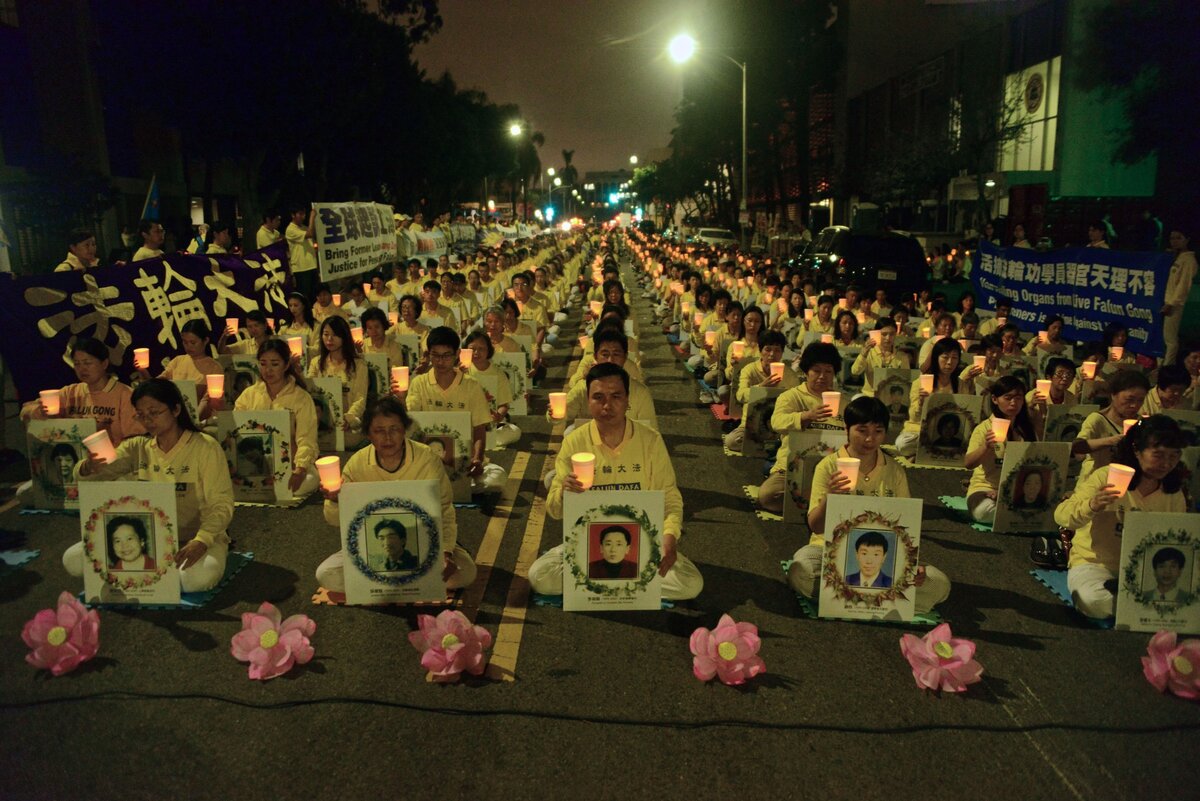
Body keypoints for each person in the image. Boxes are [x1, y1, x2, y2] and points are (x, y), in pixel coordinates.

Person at [533, 363, 703, 600]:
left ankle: (600, 584)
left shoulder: (650, 441)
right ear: (588, 401)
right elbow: (554, 510)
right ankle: (628, 585)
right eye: (598, 397)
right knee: (539, 577)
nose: (607, 405)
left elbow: (670, 497)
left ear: (627, 400)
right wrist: (564, 491)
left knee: (691, 584)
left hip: (641, 543)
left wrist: (669, 537)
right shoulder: (575, 442)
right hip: (588, 542)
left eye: (616, 396)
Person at [66, 379, 233, 592]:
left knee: (195, 581)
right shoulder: (139, 447)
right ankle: (155, 572)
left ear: (175, 409)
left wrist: (203, 540)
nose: (147, 420)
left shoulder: (205, 448)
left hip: (195, 537)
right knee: (72, 560)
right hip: (148, 539)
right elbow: (94, 476)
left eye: (154, 412)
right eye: (141, 414)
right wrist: (87, 467)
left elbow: (222, 503)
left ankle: (161, 572)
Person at [787, 396, 950, 612]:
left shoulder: (894, 471)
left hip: (884, 557)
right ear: (847, 429)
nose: (869, 439)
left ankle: (845, 599)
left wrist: (911, 565)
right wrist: (830, 497)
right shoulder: (828, 466)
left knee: (939, 584)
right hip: (828, 551)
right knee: (802, 571)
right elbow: (816, 527)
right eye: (862, 431)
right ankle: (878, 601)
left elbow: (906, 528)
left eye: (878, 432)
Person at [316, 396, 476, 594]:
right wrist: (334, 500)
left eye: (394, 429)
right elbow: (334, 520)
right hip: (372, 547)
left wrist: (445, 552)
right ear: (368, 434)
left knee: (466, 573)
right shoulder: (357, 464)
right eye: (379, 431)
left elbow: (444, 508)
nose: (388, 438)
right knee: (325, 574)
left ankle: (387, 584)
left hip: (426, 541)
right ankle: (396, 583)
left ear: (405, 430)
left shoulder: (426, 458)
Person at [1056, 415, 1188, 618]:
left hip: (1148, 570)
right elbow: (1062, 516)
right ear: (1137, 450)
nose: (1166, 464)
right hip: (1096, 565)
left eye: (1173, 456)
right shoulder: (1107, 477)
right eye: (1159, 455)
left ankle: (1137, 606)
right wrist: (1092, 505)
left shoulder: (1173, 492)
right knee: (1095, 602)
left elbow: (1177, 541)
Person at [398, 326, 507, 496]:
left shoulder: (471, 385)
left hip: (464, 461)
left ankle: (456, 487)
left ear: (457, 355)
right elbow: (410, 422)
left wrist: (477, 459)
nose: (440, 361)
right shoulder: (419, 383)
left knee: (497, 478)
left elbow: (479, 429)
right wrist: (399, 398)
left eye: (446, 355)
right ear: (428, 355)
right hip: (426, 461)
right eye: (435, 355)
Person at [758, 343, 844, 514]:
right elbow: (777, 422)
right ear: (806, 372)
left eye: (828, 371)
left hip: (831, 469)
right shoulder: (791, 396)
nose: (822, 376)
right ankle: (820, 506)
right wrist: (805, 416)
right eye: (816, 370)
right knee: (768, 496)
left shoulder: (843, 403)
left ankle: (815, 504)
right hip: (793, 466)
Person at [20, 337, 144, 445]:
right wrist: (39, 412)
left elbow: (136, 440)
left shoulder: (125, 395)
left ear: (104, 364)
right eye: (77, 364)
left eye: (87, 363)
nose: (82, 369)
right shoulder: (71, 392)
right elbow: (25, 411)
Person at [235, 339, 320, 497]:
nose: (268, 370)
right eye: (263, 363)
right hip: (256, 466)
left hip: (291, 464)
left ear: (287, 365)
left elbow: (307, 439)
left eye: (274, 364)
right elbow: (236, 431)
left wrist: (300, 469)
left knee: (303, 483)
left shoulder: (301, 397)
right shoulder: (249, 395)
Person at [963, 376, 1038, 524]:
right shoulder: (984, 429)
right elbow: (968, 463)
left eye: (1018, 398)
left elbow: (1035, 464)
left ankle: (1010, 509)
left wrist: (1007, 493)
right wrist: (985, 447)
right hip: (985, 488)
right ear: (995, 399)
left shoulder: (1027, 430)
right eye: (1008, 398)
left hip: (1019, 491)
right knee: (983, 511)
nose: (1014, 403)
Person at [723, 330, 797, 452]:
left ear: (782, 353)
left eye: (777, 350)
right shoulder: (750, 370)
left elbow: (796, 401)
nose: (772, 354)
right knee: (731, 441)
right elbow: (740, 396)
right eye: (768, 349)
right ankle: (773, 449)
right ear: (760, 350)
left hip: (780, 424)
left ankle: (773, 448)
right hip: (753, 422)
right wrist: (760, 387)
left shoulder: (790, 375)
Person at [1072, 370, 1151, 483]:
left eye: (1140, 401)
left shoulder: (1140, 422)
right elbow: (1078, 446)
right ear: (1113, 395)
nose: (1135, 405)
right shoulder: (1098, 419)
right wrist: (1111, 441)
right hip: (1095, 482)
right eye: (1129, 400)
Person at [895, 338, 963, 458]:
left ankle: (924, 452)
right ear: (936, 358)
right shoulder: (921, 382)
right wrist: (921, 403)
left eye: (954, 358)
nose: (949, 362)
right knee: (903, 444)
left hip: (949, 431)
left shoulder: (961, 383)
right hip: (920, 429)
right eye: (945, 357)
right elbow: (914, 416)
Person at [309, 316, 368, 435]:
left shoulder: (359, 365)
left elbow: (360, 399)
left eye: (335, 335)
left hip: (349, 425)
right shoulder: (316, 363)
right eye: (326, 334)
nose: (329, 339)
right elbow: (309, 392)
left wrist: (348, 418)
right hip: (322, 423)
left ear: (344, 337)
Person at [464, 330, 521, 448]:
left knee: (515, 432)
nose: (476, 353)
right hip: (465, 422)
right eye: (472, 349)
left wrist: (498, 416)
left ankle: (482, 442)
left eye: (481, 349)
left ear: (488, 350)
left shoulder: (498, 373)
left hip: (489, 424)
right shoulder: (461, 371)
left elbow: (504, 405)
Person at [1162, 229, 1197, 365]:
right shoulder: (1177, 257)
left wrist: (1171, 303)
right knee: (1166, 338)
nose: (1174, 241)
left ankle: (1167, 366)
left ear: (1187, 239)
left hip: (1176, 304)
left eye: (1178, 238)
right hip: (1167, 301)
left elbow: (1184, 285)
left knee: (1171, 340)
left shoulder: (1189, 260)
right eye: (1172, 238)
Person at [851, 318, 910, 397]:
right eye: (884, 334)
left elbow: (906, 381)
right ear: (877, 334)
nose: (888, 338)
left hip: (892, 397)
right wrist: (863, 354)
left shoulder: (902, 356)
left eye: (892, 334)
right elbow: (855, 372)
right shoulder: (870, 353)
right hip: (870, 396)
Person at [285, 205, 318, 299]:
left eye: (304, 214)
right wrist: (312, 218)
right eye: (300, 214)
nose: (303, 217)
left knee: (314, 295)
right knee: (304, 297)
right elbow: (310, 234)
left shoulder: (303, 227)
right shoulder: (290, 229)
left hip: (311, 265)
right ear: (293, 215)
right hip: (301, 268)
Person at [278, 292, 319, 357]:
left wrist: (303, 348)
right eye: (290, 305)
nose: (292, 309)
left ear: (303, 306)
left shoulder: (316, 326)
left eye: (296, 305)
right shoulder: (285, 328)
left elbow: (319, 349)